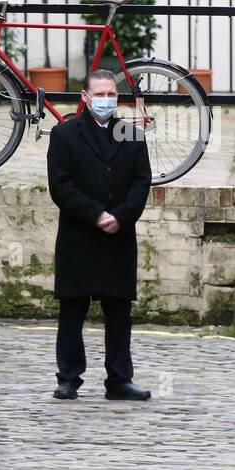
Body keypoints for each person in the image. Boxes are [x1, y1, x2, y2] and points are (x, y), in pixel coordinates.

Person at [46, 69, 153, 400]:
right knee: (73, 309)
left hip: (118, 235)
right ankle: (68, 377)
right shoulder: (64, 135)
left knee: (119, 311)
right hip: (79, 234)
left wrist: (121, 216)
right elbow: (60, 186)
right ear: (85, 97)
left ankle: (119, 379)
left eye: (111, 94)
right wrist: (95, 214)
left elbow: (141, 182)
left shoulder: (131, 135)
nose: (106, 99)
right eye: (100, 94)